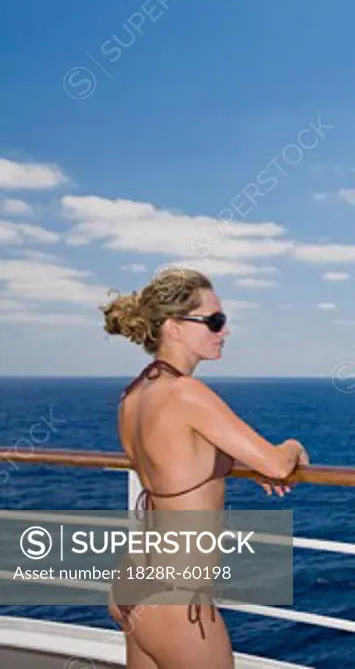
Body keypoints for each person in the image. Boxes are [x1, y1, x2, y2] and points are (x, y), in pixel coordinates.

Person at [100, 267, 308, 668]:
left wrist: (231, 462)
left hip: (133, 582)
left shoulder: (133, 396)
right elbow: (278, 465)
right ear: (175, 328)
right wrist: (292, 446)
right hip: (178, 600)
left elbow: (177, 462)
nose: (224, 331)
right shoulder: (187, 394)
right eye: (215, 321)